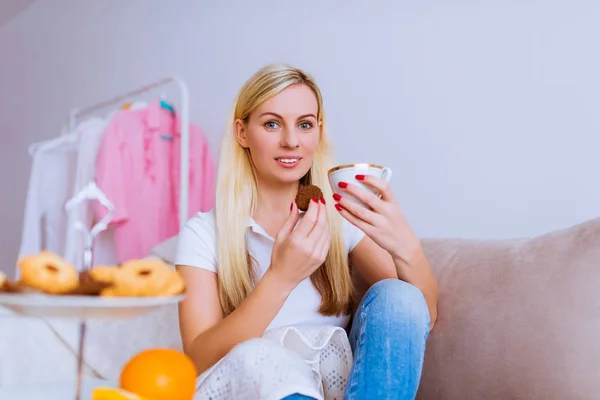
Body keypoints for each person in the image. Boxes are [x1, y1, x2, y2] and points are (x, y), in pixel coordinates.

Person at [174, 63, 439, 400]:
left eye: (304, 125)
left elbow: (420, 315)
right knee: (262, 357)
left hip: (340, 388)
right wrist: (280, 278)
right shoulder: (203, 234)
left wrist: (406, 246)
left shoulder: (338, 220)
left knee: (399, 294)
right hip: (256, 385)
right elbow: (198, 359)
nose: (291, 141)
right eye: (272, 124)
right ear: (242, 133)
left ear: (319, 131)